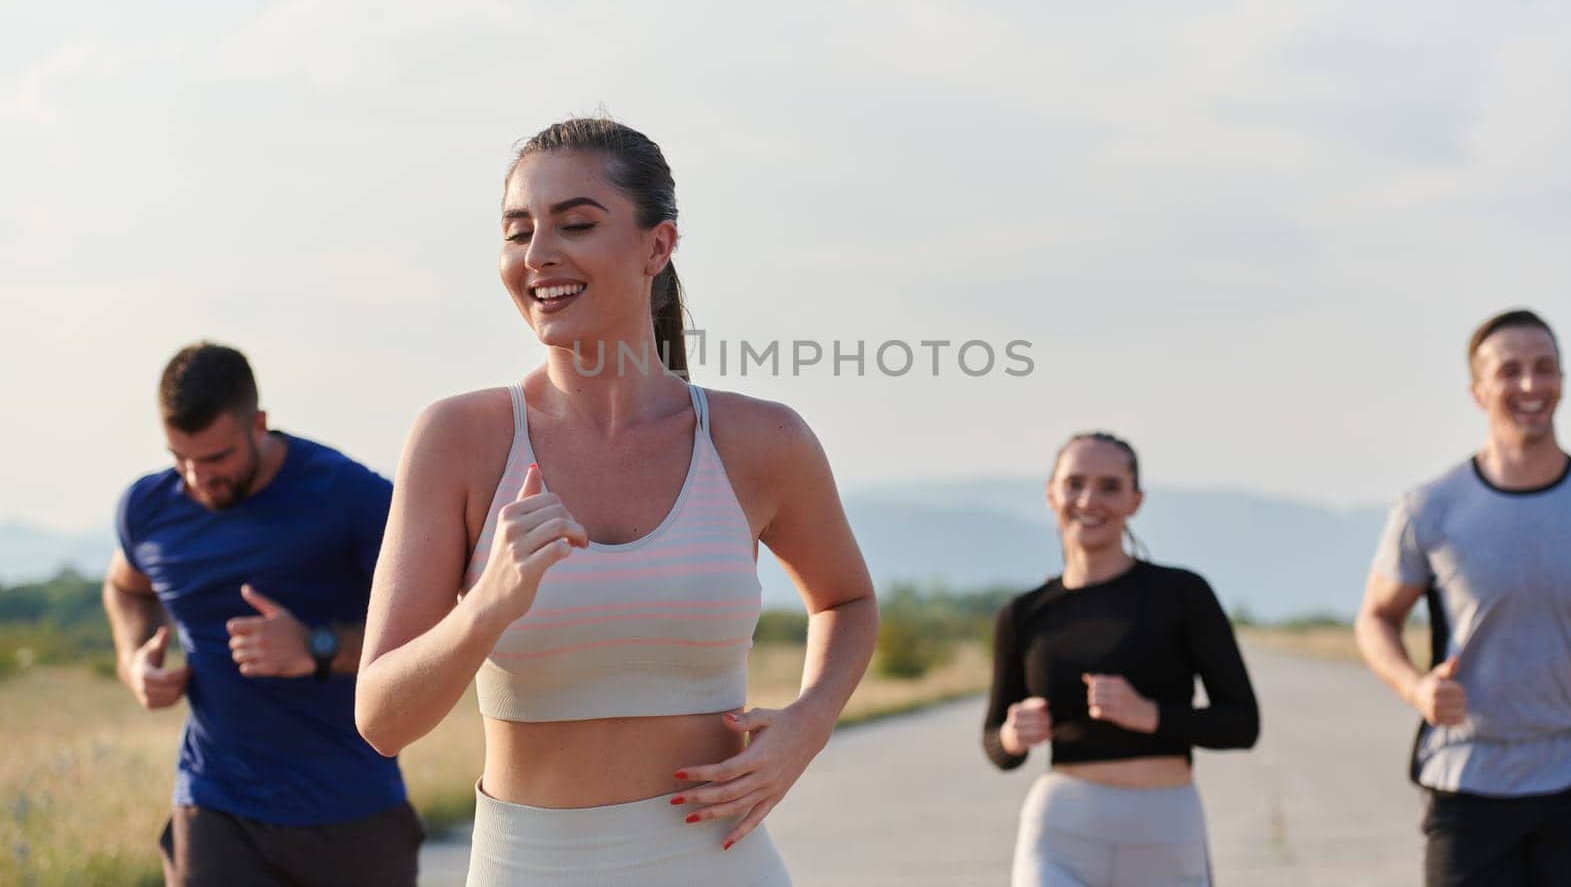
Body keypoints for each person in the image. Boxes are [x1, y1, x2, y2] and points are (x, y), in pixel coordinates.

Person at [355, 117, 878, 886]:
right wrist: (485, 607)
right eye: (517, 231)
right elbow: (382, 720)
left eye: (575, 223)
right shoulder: (458, 440)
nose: (537, 255)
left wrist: (809, 722)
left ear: (657, 247)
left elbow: (848, 598)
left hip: (721, 866)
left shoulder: (760, 440)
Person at [102, 341, 421, 887]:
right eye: (181, 458)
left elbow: (429, 624)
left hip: (352, 807)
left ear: (260, 424)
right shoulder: (147, 509)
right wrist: (135, 660)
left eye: (217, 458)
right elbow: (125, 586)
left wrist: (315, 647)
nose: (198, 477)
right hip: (216, 805)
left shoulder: (352, 496)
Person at [1355, 308, 1571, 886]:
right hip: (1467, 782)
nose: (1529, 385)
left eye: (1544, 369)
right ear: (1477, 390)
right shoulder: (1431, 507)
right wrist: (1417, 687)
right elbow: (1375, 618)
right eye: (1509, 371)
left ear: (1562, 379)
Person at [983, 432, 1259, 887]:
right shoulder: (1022, 615)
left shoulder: (1183, 595)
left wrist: (1149, 715)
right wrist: (1013, 736)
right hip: (1060, 829)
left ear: (1136, 500)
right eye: (1074, 483)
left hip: (1166, 831)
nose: (1089, 499)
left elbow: (1242, 723)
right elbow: (995, 743)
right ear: (1051, 495)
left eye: (1110, 486)